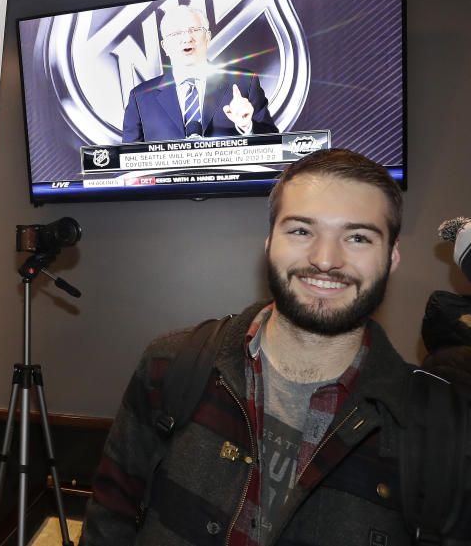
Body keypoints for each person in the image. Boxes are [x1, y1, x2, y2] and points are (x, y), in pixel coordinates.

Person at [80, 148, 469, 545]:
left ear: (392, 256)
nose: (325, 259)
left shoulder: (440, 427)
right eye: (301, 230)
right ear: (269, 243)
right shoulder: (170, 365)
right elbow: (108, 521)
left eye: (357, 237)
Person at [121, 4, 279, 142]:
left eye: (194, 30)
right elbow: (125, 162)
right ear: (165, 46)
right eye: (176, 34)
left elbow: (274, 144)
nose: (187, 38)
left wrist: (247, 126)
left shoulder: (244, 83)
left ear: (207, 36)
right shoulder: (141, 97)